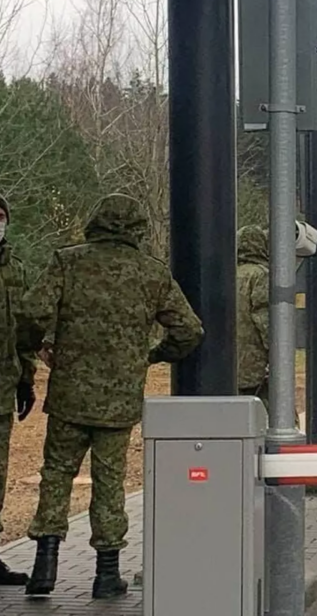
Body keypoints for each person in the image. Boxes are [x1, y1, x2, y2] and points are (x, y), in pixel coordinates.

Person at [17, 193, 204, 598]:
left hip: (69, 392)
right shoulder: (151, 273)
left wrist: (35, 346)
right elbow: (189, 330)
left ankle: (44, 566)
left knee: (57, 474)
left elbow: (31, 311)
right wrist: (153, 355)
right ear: (138, 228)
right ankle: (106, 573)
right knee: (109, 481)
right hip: (120, 398)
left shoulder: (67, 262)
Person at [0, 191, 35, 590]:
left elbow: (25, 329)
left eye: (1, 216)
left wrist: (26, 378)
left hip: (1, 391)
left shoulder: (15, 269)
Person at [236, 225, 271, 408]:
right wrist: (277, 354)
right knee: (274, 414)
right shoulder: (261, 275)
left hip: (230, 364)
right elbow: (265, 321)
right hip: (256, 364)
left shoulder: (226, 274)